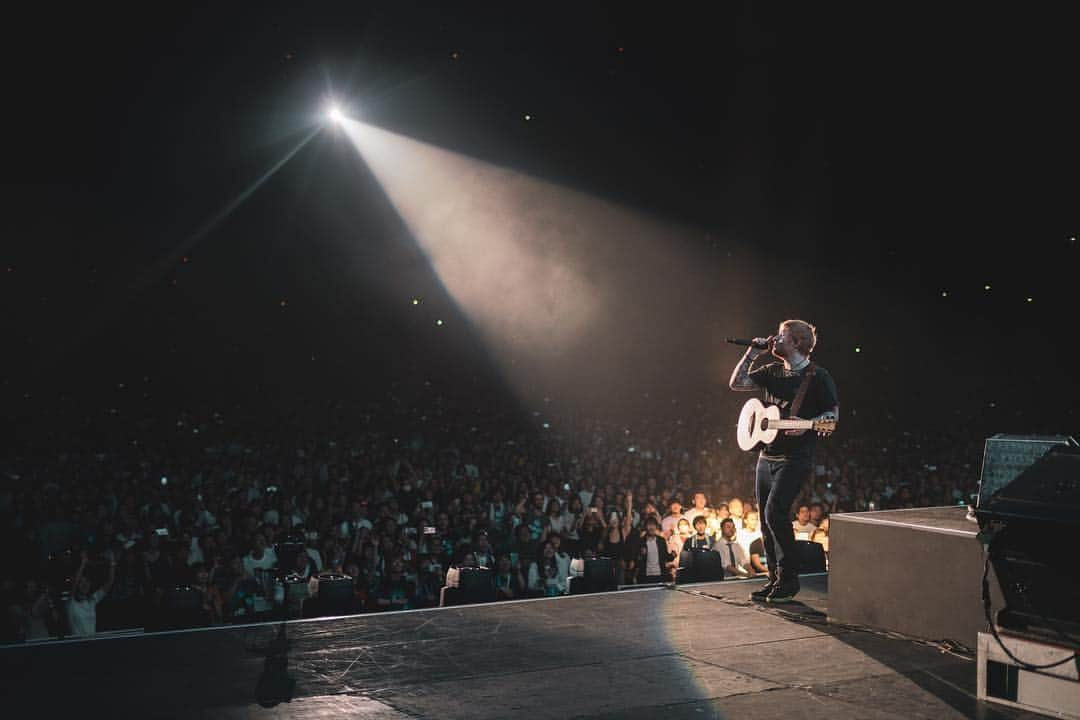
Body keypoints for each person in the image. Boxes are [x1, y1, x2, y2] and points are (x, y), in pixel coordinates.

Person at [729, 318, 838, 603]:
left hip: (795, 456)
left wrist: (807, 423)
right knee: (766, 518)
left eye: (781, 336)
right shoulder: (773, 370)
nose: (774, 340)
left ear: (797, 343)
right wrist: (753, 352)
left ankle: (789, 580)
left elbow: (832, 418)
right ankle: (774, 579)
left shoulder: (817, 377)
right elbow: (737, 383)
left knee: (775, 512)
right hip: (766, 454)